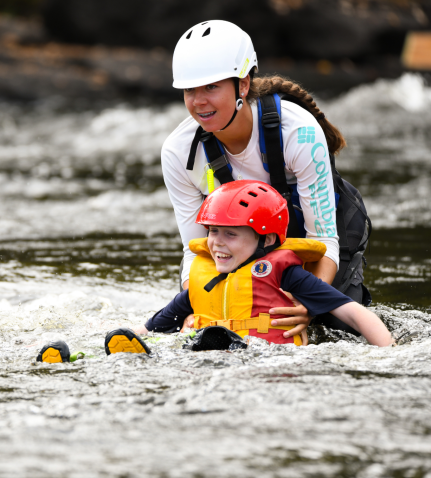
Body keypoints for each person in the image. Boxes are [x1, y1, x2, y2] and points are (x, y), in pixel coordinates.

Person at [160, 20, 364, 340]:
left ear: (242, 85)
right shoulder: (178, 152)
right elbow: (195, 250)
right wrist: (203, 305)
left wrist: (306, 306)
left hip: (321, 240)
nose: (198, 102)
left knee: (335, 329)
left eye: (211, 87)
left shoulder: (299, 133)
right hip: (241, 244)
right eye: (189, 90)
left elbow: (325, 242)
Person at [104, 181, 392, 352]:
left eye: (231, 234)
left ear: (265, 238)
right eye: (213, 232)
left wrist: (389, 354)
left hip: (268, 363)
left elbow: (354, 314)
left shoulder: (287, 275)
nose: (217, 243)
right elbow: (151, 329)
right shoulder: (203, 279)